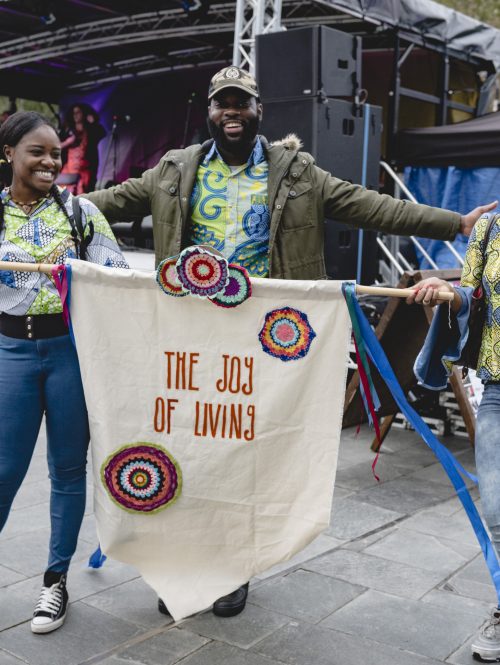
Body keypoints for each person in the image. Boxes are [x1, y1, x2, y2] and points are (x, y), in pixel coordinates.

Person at [84, 65, 497, 618]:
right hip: (187, 328)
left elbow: (369, 204)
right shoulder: (175, 169)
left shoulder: (296, 172)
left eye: (242, 103)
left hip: (264, 333)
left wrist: (455, 223)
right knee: (187, 441)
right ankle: (184, 563)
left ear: (259, 111)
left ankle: (233, 568)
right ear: (209, 111)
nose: (232, 112)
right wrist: (49, 207)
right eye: (221, 103)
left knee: (244, 449)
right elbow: (107, 203)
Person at [0, 111, 128, 634]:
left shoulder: (80, 213)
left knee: (68, 470)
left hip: (71, 355)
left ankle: (55, 583)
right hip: (11, 354)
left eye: (56, 153)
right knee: (5, 470)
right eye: (38, 152)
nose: (51, 161)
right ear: (9, 154)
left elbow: (118, 277)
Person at [407, 212, 499, 661]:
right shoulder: (490, 227)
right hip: (499, 387)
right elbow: (473, 295)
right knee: (498, 510)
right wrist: (452, 296)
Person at [60, 103, 105, 195]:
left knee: (84, 195)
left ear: (84, 114)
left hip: (86, 170)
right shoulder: (68, 130)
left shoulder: (90, 129)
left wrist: (93, 123)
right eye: (74, 113)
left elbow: (101, 133)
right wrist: (68, 142)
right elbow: (57, 146)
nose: (75, 115)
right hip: (69, 169)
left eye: (78, 112)